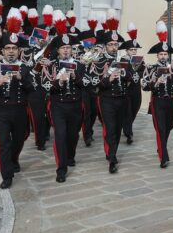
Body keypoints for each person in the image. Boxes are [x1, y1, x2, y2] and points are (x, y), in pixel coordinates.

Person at [0, 9, 33, 190]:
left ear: (19, 51)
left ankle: (13, 160)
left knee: (19, 139)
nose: (11, 51)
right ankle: (7, 175)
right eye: (8, 48)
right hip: (0, 110)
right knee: (3, 143)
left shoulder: (25, 67)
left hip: (19, 110)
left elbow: (32, 89)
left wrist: (22, 78)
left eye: (14, 48)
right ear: (2, 50)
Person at [86, 15, 130, 173]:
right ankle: (112, 157)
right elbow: (94, 82)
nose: (114, 47)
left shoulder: (124, 59)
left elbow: (131, 77)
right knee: (110, 128)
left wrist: (124, 73)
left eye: (116, 44)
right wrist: (108, 79)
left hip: (122, 98)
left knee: (118, 129)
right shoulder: (98, 61)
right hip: (106, 99)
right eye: (110, 44)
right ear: (105, 46)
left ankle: (113, 151)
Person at [42, 29, 84, 183]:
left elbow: (85, 84)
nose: (66, 50)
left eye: (69, 48)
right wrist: (59, 82)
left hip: (75, 105)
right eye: (63, 48)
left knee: (73, 135)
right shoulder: (51, 65)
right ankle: (61, 169)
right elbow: (45, 85)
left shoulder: (79, 65)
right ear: (58, 50)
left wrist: (75, 77)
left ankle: (70, 156)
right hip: (58, 106)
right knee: (60, 135)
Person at [142, 23, 173, 168]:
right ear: (157, 55)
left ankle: (162, 146)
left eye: (165, 54)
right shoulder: (150, 68)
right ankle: (163, 157)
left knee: (169, 126)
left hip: (170, 100)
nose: (164, 56)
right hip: (157, 101)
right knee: (161, 129)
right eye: (161, 54)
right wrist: (156, 81)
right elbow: (145, 86)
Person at [120, 24, 144, 145]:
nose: (133, 51)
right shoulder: (123, 60)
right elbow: (123, 72)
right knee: (128, 111)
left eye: (135, 49)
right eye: (131, 50)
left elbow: (142, 70)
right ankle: (129, 133)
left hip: (136, 88)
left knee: (136, 108)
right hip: (127, 88)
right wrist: (131, 76)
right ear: (127, 51)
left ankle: (127, 125)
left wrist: (137, 75)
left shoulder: (140, 60)